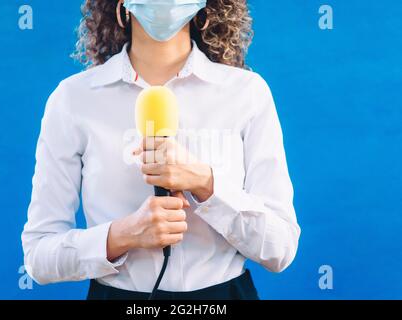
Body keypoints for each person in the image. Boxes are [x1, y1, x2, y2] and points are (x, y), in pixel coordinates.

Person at [22, 0, 301, 300]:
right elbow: (39, 257)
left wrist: (206, 184)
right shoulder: (73, 100)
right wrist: (123, 235)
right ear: (120, 5)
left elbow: (279, 249)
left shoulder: (248, 94)